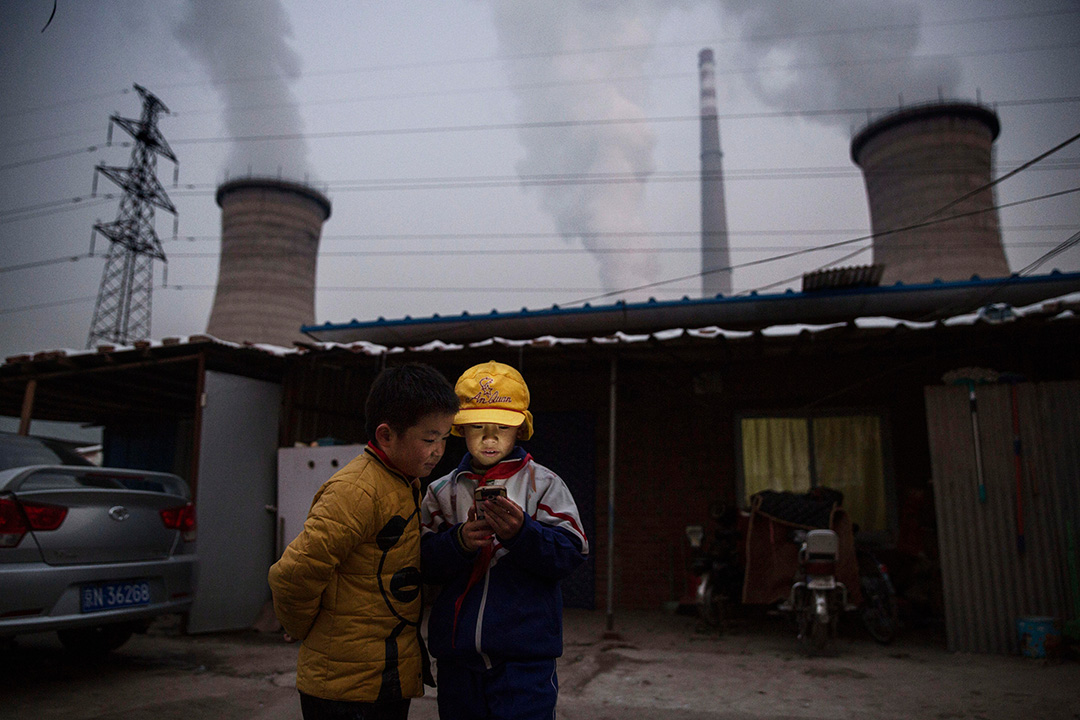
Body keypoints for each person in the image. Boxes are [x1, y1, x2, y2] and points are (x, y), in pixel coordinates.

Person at [269, 362, 459, 720]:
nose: (439, 451)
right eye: (429, 439)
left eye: (445, 439)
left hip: (383, 676)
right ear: (386, 436)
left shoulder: (404, 481)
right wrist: (301, 626)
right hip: (343, 688)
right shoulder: (356, 491)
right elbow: (292, 574)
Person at [420, 360, 589, 720]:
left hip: (524, 661)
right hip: (456, 660)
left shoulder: (543, 484)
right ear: (460, 430)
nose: (489, 438)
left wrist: (522, 534)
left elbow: (571, 554)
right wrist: (459, 542)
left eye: (502, 427)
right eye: (477, 426)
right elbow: (419, 561)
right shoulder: (441, 492)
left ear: (521, 430)